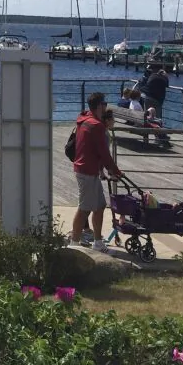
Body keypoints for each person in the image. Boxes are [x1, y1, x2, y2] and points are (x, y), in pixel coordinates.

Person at [70, 92, 122, 252]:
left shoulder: (84, 119)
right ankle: (74, 243)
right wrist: (116, 171)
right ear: (100, 105)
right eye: (105, 103)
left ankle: (98, 242)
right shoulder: (96, 125)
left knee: (99, 206)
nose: (106, 106)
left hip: (85, 168)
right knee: (84, 208)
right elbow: (104, 153)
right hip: (87, 170)